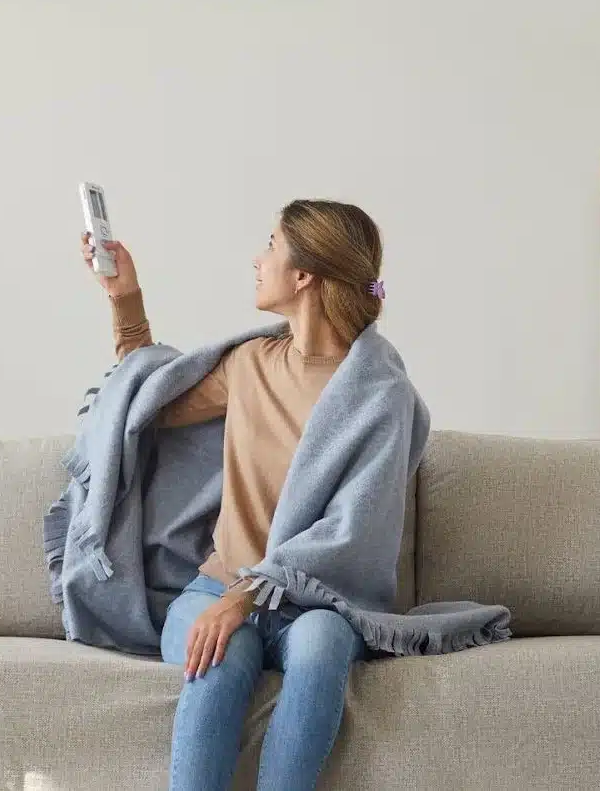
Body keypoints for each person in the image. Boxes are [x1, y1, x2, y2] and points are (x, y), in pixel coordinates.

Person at [79, 198, 391, 791]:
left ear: (303, 275)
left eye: (271, 245)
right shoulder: (250, 363)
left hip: (320, 602)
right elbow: (144, 400)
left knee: (323, 644)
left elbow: (350, 532)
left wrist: (246, 598)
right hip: (215, 588)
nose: (257, 259)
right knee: (221, 653)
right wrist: (125, 298)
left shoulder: (378, 392)